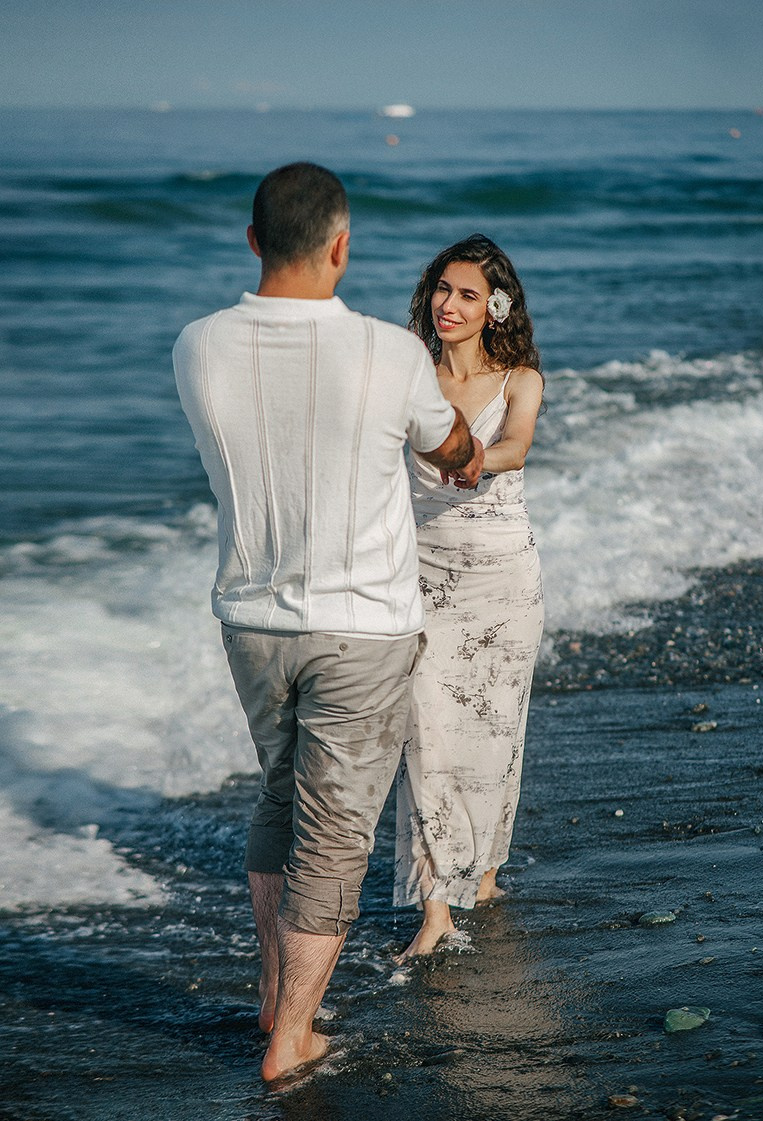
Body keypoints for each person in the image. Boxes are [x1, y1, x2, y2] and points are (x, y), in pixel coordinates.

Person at [172, 164, 484, 1081]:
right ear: (342, 246)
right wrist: (463, 449)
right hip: (364, 626)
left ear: (253, 240)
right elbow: (451, 447)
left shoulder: (196, 344)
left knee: (279, 795)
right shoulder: (392, 353)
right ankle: (289, 1038)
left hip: (251, 618)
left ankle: (275, 996)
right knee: (336, 831)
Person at [393, 234, 545, 960]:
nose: (448, 305)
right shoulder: (409, 374)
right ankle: (435, 905)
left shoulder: (521, 379)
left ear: (496, 307)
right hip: (422, 576)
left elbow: (515, 444)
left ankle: (483, 871)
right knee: (423, 734)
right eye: (441, 290)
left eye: (467, 294)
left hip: (505, 581)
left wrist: (473, 458)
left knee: (495, 734)